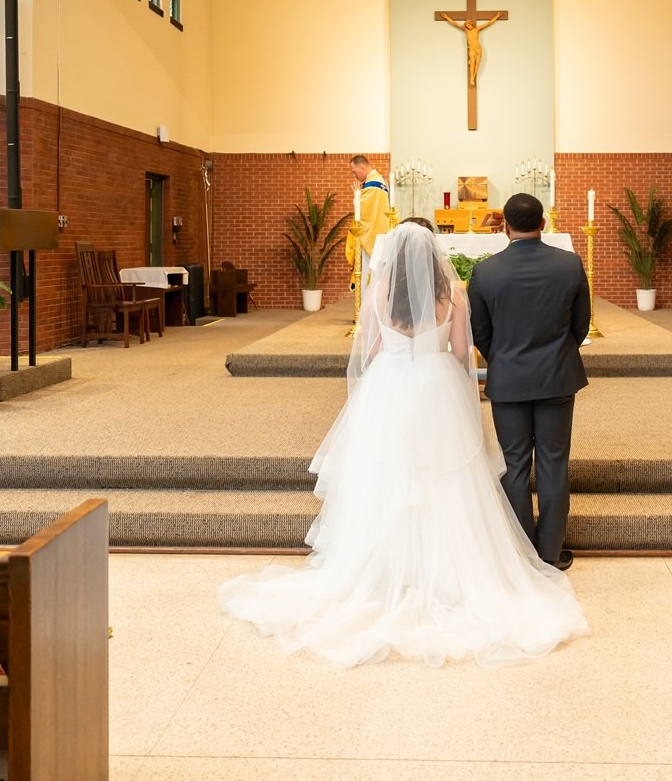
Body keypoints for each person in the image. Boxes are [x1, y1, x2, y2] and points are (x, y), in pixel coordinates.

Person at [219, 222, 587, 667]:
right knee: (446, 474)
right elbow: (460, 353)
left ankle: (384, 570)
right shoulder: (451, 293)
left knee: (386, 471)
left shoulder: (378, 294)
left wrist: (400, 353)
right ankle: (452, 569)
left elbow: (370, 350)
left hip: (389, 388)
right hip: (438, 387)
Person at [468, 194, 590, 571]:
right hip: (556, 377)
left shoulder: (486, 272)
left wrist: (504, 359)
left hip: (509, 380)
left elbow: (480, 333)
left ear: (504, 226)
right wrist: (557, 355)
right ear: (543, 223)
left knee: (515, 464)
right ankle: (550, 552)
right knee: (554, 463)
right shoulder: (569, 264)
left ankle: (522, 553)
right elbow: (581, 325)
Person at [345, 155, 390, 287]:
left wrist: (357, 196)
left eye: (354, 171)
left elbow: (363, 211)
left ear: (362, 167)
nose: (354, 175)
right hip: (380, 234)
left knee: (368, 280)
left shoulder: (372, 185)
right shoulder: (380, 181)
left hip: (371, 238)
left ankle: (368, 306)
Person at [438, 10, 503, 87]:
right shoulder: (466, 31)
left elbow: (488, 23)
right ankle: (472, 77)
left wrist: (497, 16)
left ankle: (474, 76)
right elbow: (455, 23)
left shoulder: (477, 29)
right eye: (467, 26)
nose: (468, 26)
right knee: (472, 61)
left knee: (477, 63)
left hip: (478, 47)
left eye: (469, 25)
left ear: (471, 24)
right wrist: (446, 17)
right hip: (471, 48)